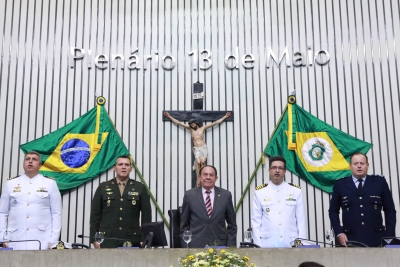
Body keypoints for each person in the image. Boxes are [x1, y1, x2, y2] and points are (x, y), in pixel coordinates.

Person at [329, 152, 396, 247]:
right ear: (350, 166)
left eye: (362, 163)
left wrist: (389, 236)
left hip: (377, 238)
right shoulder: (340, 185)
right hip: (350, 238)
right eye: (355, 164)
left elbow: (390, 210)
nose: (359, 166)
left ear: (367, 165)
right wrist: (339, 233)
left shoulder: (379, 182)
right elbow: (333, 211)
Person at [0, 151, 62, 250]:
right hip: (15, 239)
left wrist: (53, 240)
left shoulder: (50, 184)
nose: (30, 161)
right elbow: (2, 213)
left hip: (42, 239)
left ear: (40, 165)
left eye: (34, 159)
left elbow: (56, 213)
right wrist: (2, 237)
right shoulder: (11, 184)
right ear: (23, 164)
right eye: (27, 159)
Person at [90, 155, 151, 248]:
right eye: (120, 164)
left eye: (127, 165)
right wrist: (94, 239)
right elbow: (95, 216)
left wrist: (144, 238)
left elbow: (147, 216)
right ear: (115, 168)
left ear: (131, 169)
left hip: (132, 239)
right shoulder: (103, 187)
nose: (123, 167)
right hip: (107, 239)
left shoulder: (140, 187)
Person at [251, 155, 307, 248]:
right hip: (267, 245)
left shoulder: (295, 191)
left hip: (291, 244)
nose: (277, 170)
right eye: (274, 168)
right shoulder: (260, 192)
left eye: (280, 168)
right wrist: (258, 246)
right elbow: (256, 222)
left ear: (285, 171)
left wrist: (302, 244)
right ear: (269, 170)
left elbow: (301, 221)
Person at [164, 112, 231, 186]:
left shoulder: (203, 128)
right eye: (191, 125)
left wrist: (225, 117)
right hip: (196, 148)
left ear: (196, 123)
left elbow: (215, 123)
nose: (192, 125)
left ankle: (203, 177)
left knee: (202, 162)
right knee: (198, 163)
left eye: (193, 124)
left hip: (203, 147)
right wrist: (169, 116)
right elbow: (179, 123)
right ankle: (198, 179)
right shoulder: (191, 129)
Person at [180, 165, 237, 248]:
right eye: (205, 174)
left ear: (216, 178)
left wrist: (230, 246)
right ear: (199, 177)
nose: (208, 177)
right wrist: (186, 247)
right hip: (195, 246)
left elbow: (232, 225)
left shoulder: (225, 195)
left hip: (220, 246)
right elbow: (184, 225)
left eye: (211, 175)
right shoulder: (190, 195)